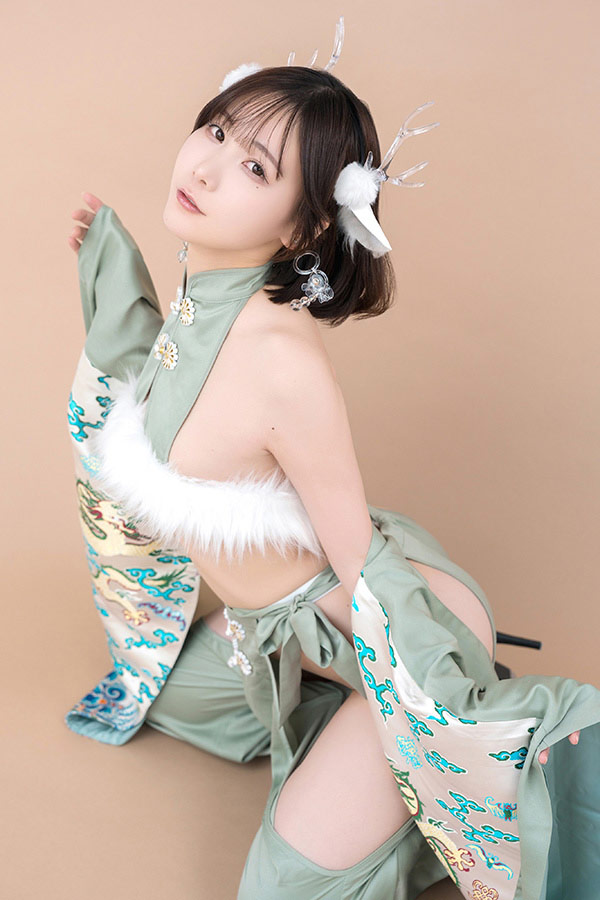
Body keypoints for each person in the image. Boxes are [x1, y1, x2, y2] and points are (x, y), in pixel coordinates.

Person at [64, 19, 600, 900]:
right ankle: (343, 738)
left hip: (386, 627)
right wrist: (112, 280)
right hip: (279, 631)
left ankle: (465, 756)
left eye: (254, 168)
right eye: (217, 129)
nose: (206, 167)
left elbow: (358, 560)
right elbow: (162, 398)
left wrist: (433, 708)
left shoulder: (284, 363)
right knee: (161, 693)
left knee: (279, 889)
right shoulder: (203, 298)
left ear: (306, 221)